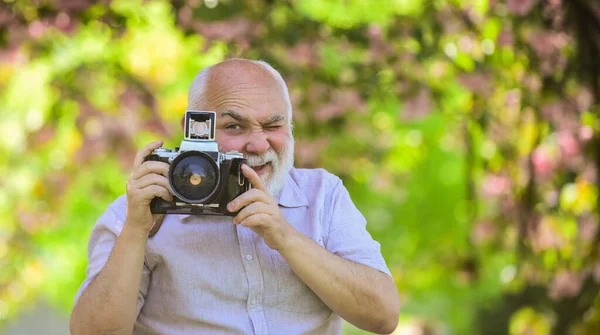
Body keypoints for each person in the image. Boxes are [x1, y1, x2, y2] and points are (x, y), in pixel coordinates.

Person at [69, 58, 400, 335]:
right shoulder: (141, 208)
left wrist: (284, 235)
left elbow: (383, 316)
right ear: (195, 131)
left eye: (273, 126)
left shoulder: (323, 196)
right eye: (234, 127)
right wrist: (135, 231)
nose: (258, 145)